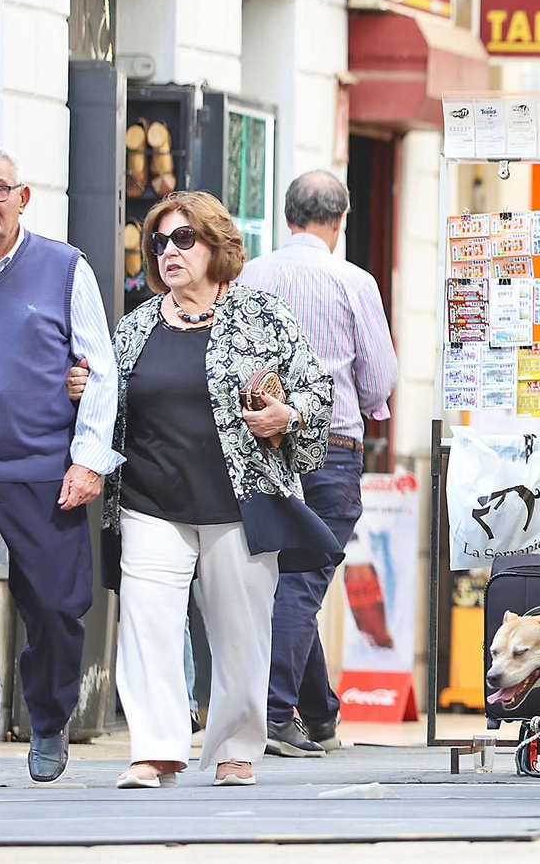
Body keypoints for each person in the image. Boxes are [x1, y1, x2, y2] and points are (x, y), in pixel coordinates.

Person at [104, 191, 338, 789]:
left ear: (216, 245)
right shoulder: (134, 327)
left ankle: (236, 747)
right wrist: (86, 390)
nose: (169, 251)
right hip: (149, 502)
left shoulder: (262, 315)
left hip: (239, 502)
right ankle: (155, 748)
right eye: (159, 241)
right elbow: (109, 405)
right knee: (147, 624)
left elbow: (317, 392)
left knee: (240, 632)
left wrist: (287, 416)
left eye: (184, 239)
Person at [236, 170, 397, 758]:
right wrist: (365, 403)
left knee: (288, 581)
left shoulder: (249, 277)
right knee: (303, 582)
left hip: (256, 449)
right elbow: (378, 378)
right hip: (329, 448)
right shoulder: (353, 281)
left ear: (287, 217)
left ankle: (320, 715)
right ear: (341, 219)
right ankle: (275, 714)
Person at [0, 144, 122, 785]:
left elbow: (99, 370)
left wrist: (89, 459)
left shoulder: (65, 268)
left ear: (22, 198)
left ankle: (47, 718)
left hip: (44, 470)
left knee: (58, 609)